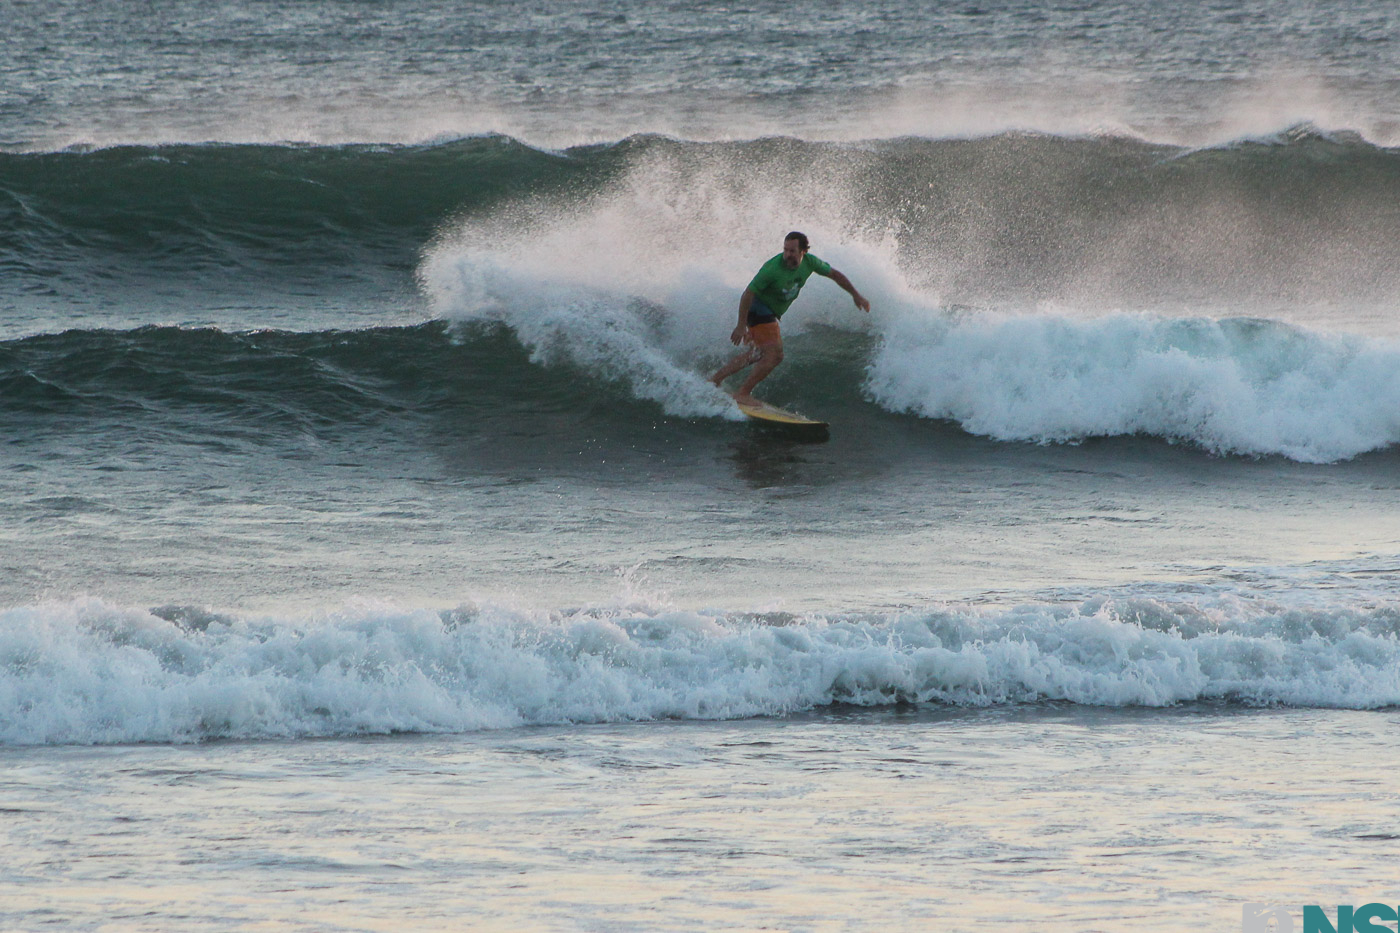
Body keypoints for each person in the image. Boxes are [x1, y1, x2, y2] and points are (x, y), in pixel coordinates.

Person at [710, 231, 870, 405]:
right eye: (785, 250)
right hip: (758, 309)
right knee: (775, 355)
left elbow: (835, 275)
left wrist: (856, 295)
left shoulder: (810, 262)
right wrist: (741, 326)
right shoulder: (772, 269)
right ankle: (743, 394)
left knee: (758, 353)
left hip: (768, 312)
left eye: (792, 251)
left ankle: (715, 380)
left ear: (803, 251)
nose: (787, 255)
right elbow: (747, 294)